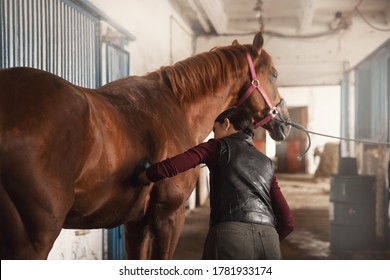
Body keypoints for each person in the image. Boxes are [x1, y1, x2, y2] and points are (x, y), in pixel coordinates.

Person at [137, 107, 294, 260]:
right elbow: (287, 221)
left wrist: (144, 176)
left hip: (230, 238)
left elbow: (172, 166)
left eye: (215, 130)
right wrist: (266, 241)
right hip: (269, 241)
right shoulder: (266, 163)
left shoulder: (216, 147)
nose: (214, 135)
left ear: (226, 124)